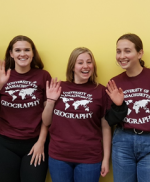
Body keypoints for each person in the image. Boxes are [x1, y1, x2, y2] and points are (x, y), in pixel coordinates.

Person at [42, 47, 122, 182]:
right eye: (80, 63)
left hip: (89, 158)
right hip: (58, 156)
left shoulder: (101, 91)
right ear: (72, 66)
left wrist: (106, 159)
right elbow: (46, 121)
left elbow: (106, 127)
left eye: (89, 62)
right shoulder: (58, 87)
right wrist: (50, 101)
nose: (86, 66)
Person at [0, 35, 51, 182]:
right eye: (18, 50)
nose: (22, 54)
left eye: (27, 50)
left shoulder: (43, 76)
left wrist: (41, 142)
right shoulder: (2, 75)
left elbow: (47, 116)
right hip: (5, 144)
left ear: (33, 53)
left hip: (35, 144)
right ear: (11, 54)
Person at [107, 33, 150, 182]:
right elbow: (110, 120)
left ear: (140, 53)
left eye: (127, 51)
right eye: (118, 51)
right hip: (122, 143)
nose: (122, 56)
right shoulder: (115, 82)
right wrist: (119, 106)